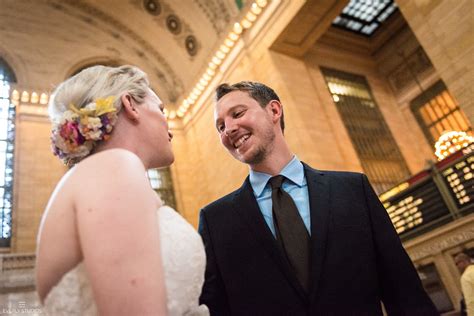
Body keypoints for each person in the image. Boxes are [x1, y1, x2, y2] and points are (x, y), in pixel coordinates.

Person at [198, 81, 438, 315]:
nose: (228, 129)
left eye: (237, 113)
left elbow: (405, 293)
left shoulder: (354, 190)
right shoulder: (215, 221)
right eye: (220, 126)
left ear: (273, 110)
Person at [36, 65, 208, 315]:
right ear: (131, 104)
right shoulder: (116, 167)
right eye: (160, 109)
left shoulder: (100, 175)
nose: (167, 125)